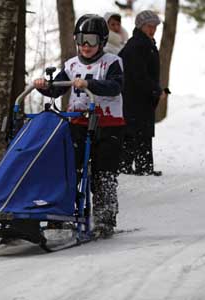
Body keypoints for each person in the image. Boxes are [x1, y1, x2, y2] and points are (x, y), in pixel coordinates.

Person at [33, 14, 125, 239]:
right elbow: (57, 89)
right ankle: (64, 214)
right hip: (78, 123)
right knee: (68, 168)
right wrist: (44, 86)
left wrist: (89, 84)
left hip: (108, 125)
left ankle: (104, 219)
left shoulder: (112, 62)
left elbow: (114, 86)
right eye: (81, 39)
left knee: (103, 173)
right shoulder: (71, 65)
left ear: (102, 41)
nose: (85, 45)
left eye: (91, 40)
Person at [118, 10, 163, 176]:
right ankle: (137, 167)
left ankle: (136, 166)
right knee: (136, 131)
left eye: (154, 27)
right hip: (134, 97)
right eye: (149, 26)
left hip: (139, 97)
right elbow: (138, 74)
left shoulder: (145, 43)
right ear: (140, 27)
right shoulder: (138, 45)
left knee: (138, 131)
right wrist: (155, 89)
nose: (152, 30)